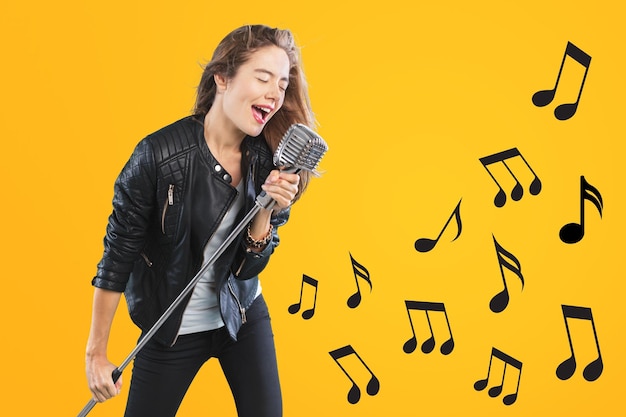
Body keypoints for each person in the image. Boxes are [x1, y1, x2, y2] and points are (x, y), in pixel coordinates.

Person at [85, 24, 316, 417]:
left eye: (282, 82)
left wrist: (266, 209)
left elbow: (248, 269)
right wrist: (97, 352)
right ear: (222, 77)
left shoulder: (270, 159)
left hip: (241, 316)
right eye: (263, 77)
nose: (275, 93)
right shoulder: (157, 156)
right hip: (170, 328)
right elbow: (118, 254)